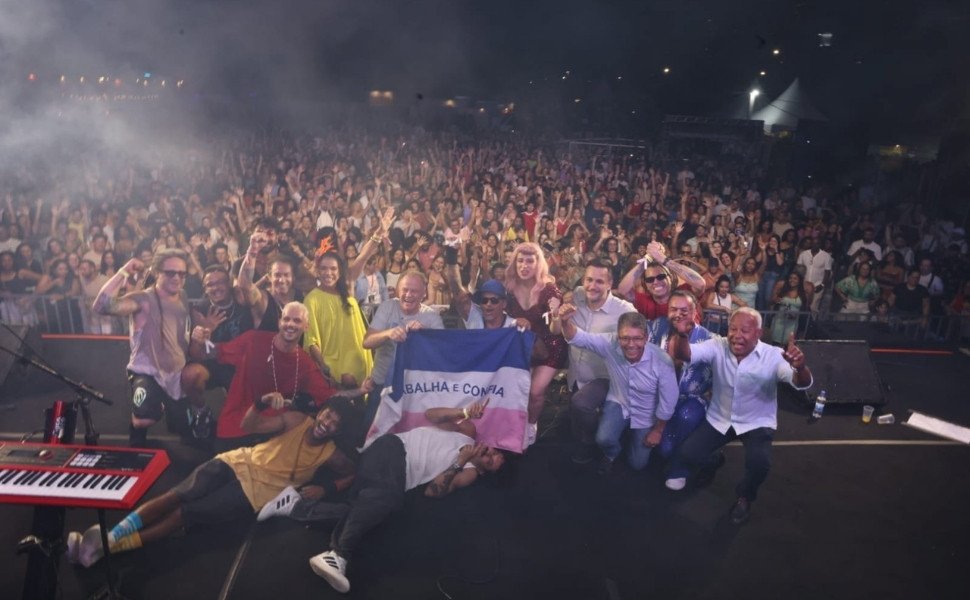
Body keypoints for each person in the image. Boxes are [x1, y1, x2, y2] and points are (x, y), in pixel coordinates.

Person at [66, 395, 357, 568]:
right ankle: (109, 538)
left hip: (253, 494)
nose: (327, 423)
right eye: (327, 415)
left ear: (338, 430)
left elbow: (350, 474)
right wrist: (261, 403)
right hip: (236, 461)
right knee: (175, 496)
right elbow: (249, 426)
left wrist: (326, 488)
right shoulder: (297, 420)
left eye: (335, 423)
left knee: (183, 515)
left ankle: (106, 547)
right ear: (320, 411)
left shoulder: (332, 455)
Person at [292, 399, 505, 594]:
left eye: (492, 461)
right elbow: (431, 415)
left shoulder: (468, 473)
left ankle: (295, 507)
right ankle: (338, 555)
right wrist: (465, 411)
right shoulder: (468, 430)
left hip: (395, 477)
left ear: (485, 471)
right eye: (495, 452)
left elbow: (433, 491)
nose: (492, 455)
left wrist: (459, 461)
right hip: (393, 448)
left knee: (366, 511)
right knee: (386, 500)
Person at [666, 308, 813, 524]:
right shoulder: (717, 345)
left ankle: (745, 496)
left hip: (756, 422)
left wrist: (800, 368)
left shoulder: (773, 355)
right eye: (733, 329)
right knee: (688, 454)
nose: (737, 335)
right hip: (720, 417)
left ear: (758, 333)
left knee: (759, 463)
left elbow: (802, 384)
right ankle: (714, 460)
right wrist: (682, 334)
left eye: (745, 330)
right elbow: (684, 354)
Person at [92, 249, 211, 445]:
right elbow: (101, 306)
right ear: (157, 272)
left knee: (184, 428)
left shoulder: (182, 295)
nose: (177, 278)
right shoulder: (142, 300)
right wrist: (124, 271)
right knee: (143, 421)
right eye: (170, 272)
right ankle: (147, 416)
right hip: (147, 372)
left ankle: (195, 411)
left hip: (176, 371)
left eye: (182, 273)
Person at [558, 308, 678, 475]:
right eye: (625, 338)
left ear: (646, 337)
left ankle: (630, 438)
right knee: (603, 439)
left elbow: (669, 400)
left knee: (638, 464)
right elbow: (578, 338)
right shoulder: (610, 343)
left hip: (647, 412)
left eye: (637, 338)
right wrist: (564, 322)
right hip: (619, 403)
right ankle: (612, 453)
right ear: (617, 336)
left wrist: (658, 430)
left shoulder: (662, 361)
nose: (630, 345)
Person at [550, 260, 635, 464]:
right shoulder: (577, 296)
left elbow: (636, 348)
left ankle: (593, 445)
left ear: (609, 283)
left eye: (599, 281)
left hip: (606, 377)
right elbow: (554, 331)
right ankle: (589, 435)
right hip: (577, 375)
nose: (592, 286)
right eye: (589, 280)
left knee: (580, 405)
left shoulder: (625, 310)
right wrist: (559, 317)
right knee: (575, 416)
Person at [645, 291, 714, 489]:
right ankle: (700, 454)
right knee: (662, 450)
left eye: (684, 310)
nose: (678, 314)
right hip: (659, 399)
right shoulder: (657, 328)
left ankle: (680, 469)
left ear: (695, 312)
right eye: (673, 309)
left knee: (686, 417)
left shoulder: (707, 338)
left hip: (690, 401)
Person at [361, 271, 445, 435]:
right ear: (398, 290)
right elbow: (367, 342)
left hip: (414, 391)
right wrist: (388, 333)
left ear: (423, 294)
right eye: (405, 289)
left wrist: (424, 335)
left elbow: (441, 355)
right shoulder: (387, 307)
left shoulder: (432, 317)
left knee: (406, 437)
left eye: (414, 291)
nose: (408, 295)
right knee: (369, 434)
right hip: (382, 386)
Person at [504, 242, 566, 447]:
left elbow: (556, 330)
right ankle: (517, 424)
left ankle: (531, 425)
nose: (524, 265)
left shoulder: (549, 289)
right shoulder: (508, 290)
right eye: (520, 261)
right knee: (519, 391)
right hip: (524, 347)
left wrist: (556, 314)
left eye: (530, 261)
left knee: (535, 392)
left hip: (550, 345)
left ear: (538, 264)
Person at [304, 251, 373, 389]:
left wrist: (377, 235)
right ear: (317, 271)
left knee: (349, 378)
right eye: (323, 268)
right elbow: (311, 340)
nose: (328, 273)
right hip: (328, 360)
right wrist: (323, 366)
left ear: (340, 271)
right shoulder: (311, 299)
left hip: (356, 355)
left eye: (333, 268)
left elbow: (363, 257)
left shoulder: (347, 291)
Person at [616, 241, 706, 320]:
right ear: (645, 284)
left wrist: (663, 259)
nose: (655, 282)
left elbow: (700, 284)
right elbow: (622, 291)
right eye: (650, 279)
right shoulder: (644, 301)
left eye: (661, 277)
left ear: (670, 278)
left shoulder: (684, 293)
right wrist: (648, 258)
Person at [769, 271, 813, 345]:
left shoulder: (803, 294)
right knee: (776, 345)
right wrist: (776, 300)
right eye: (790, 278)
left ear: (799, 281)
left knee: (788, 345)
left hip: (793, 324)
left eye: (795, 278)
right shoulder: (783, 290)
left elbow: (806, 307)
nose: (792, 280)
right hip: (779, 321)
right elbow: (772, 301)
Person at [796, 236, 833, 313]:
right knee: (801, 306)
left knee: (813, 308)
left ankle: (811, 324)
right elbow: (798, 269)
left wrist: (822, 285)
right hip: (804, 285)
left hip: (817, 286)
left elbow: (827, 272)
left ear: (820, 244)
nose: (815, 245)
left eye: (817, 243)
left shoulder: (826, 256)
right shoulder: (804, 254)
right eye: (813, 243)